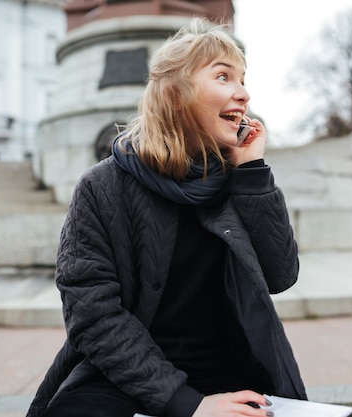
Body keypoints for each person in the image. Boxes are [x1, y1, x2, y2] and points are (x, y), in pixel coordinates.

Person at [27, 17, 307, 417]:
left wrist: (253, 173)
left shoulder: (240, 180)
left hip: (230, 373)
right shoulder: (102, 186)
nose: (243, 94)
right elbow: (92, 313)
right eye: (224, 76)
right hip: (123, 374)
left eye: (243, 79)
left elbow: (281, 276)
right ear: (177, 93)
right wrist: (187, 404)